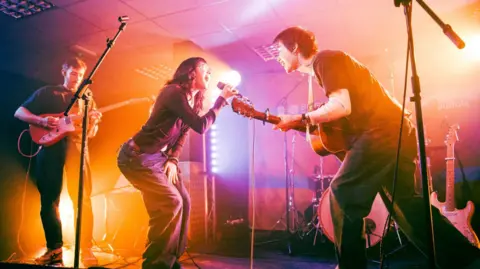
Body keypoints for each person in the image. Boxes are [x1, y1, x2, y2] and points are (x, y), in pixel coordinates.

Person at [271, 26, 480, 269]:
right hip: (397, 130)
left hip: (383, 131)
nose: (277, 56)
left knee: (343, 194)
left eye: (279, 49)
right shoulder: (327, 66)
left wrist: (301, 119)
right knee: (407, 207)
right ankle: (468, 260)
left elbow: (341, 106)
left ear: (295, 48)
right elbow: (346, 114)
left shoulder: (325, 60)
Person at [116, 57, 237, 269]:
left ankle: (172, 260)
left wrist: (172, 158)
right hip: (136, 158)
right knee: (171, 203)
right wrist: (221, 101)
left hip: (157, 158)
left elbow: (184, 133)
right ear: (191, 72)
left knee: (184, 201)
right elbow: (200, 126)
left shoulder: (194, 99)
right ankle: (156, 264)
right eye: (205, 69)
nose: (209, 73)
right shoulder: (173, 92)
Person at [14, 57, 101, 265]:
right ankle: (54, 250)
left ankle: (86, 248)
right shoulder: (48, 92)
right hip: (51, 149)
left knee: (83, 199)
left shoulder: (87, 96)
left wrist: (94, 123)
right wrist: (41, 120)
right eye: (73, 74)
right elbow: (19, 112)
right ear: (64, 71)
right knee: (49, 200)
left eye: (80, 75)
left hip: (78, 150)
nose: (76, 79)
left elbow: (91, 133)